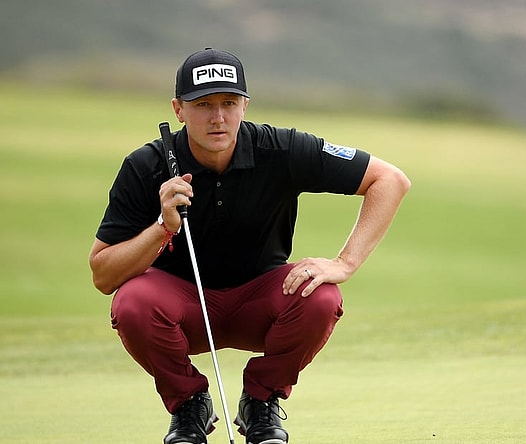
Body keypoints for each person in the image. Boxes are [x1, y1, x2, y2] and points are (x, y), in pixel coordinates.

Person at [88, 48, 411, 444]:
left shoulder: (282, 149)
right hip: (181, 305)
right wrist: (161, 226)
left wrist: (345, 263)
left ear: (245, 104)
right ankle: (189, 404)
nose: (218, 116)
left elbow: (390, 180)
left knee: (322, 295)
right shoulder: (147, 165)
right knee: (132, 301)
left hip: (260, 301)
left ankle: (260, 401)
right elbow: (103, 274)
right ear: (178, 109)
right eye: (203, 105)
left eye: (229, 102)